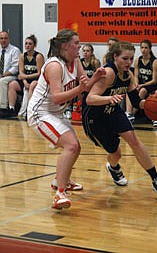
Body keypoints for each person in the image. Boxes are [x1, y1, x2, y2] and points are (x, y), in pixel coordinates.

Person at [27, 29, 105, 210]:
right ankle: (59, 194)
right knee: (71, 146)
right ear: (65, 46)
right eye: (76, 43)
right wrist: (79, 89)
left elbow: (84, 85)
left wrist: (96, 77)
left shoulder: (75, 60)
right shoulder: (54, 66)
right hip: (40, 113)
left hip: (56, 112)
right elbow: (57, 97)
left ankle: (60, 181)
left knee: (75, 148)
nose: (79, 47)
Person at [82, 41, 157, 200]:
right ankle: (113, 167)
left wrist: (150, 104)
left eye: (131, 59)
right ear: (115, 57)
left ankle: (156, 179)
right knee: (116, 153)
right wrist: (109, 98)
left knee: (134, 140)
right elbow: (89, 99)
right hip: (95, 118)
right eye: (125, 59)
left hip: (113, 112)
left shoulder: (128, 75)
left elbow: (136, 102)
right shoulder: (109, 73)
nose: (129, 62)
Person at [7, 34, 44, 118]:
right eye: (26, 43)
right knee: (12, 84)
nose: (27, 45)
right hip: (25, 80)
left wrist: (25, 78)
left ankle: (28, 110)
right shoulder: (22, 56)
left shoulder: (38, 56)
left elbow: (39, 73)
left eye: (30, 44)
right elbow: (21, 72)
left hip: (35, 80)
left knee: (30, 87)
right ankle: (11, 108)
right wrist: (24, 81)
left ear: (34, 45)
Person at [134, 39, 157, 126]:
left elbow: (154, 80)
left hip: (152, 85)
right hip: (141, 84)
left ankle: (132, 114)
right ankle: (128, 113)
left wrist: (141, 85)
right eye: (142, 47)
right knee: (131, 89)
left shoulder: (155, 61)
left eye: (146, 48)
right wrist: (136, 84)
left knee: (142, 90)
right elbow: (136, 76)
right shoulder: (138, 60)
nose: (143, 50)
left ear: (150, 49)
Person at [0, 31, 21, 117]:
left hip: (11, 76)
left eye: (5, 38)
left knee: (2, 81)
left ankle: (3, 108)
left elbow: (16, 67)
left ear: (9, 39)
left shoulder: (15, 50)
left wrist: (4, 75)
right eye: (1, 38)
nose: (3, 40)